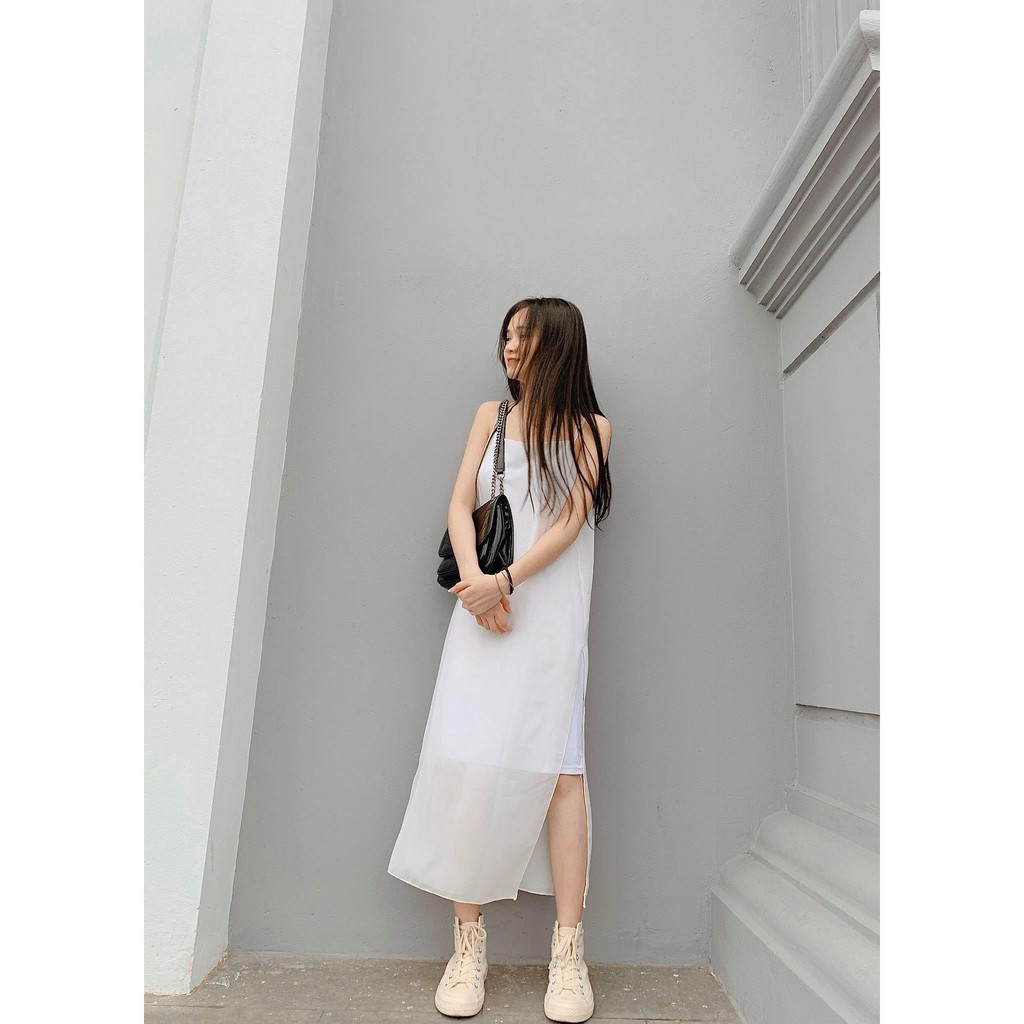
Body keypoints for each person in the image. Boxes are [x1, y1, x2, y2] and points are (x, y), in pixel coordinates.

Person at [388, 296, 613, 1022]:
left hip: (548, 624)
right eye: (507, 337)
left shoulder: (591, 429)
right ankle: (467, 945)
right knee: (468, 767)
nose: (511, 349)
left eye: (525, 337)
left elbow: (570, 521)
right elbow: (461, 505)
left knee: (564, 778)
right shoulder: (491, 416)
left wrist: (504, 582)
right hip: (481, 617)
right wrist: (476, 586)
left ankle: (569, 956)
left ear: (559, 345)